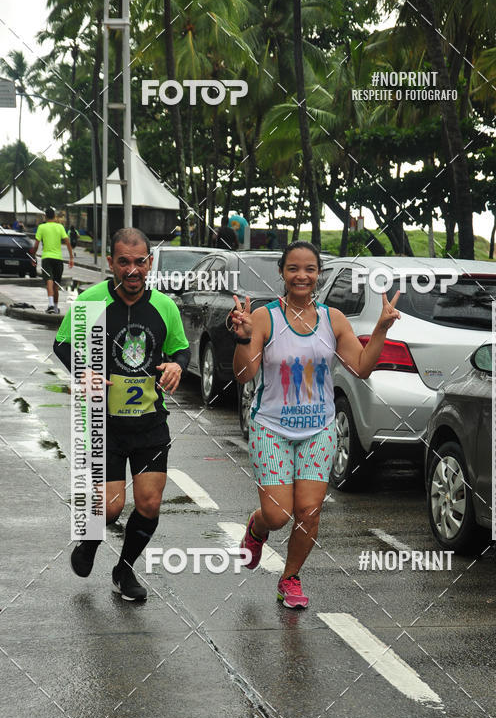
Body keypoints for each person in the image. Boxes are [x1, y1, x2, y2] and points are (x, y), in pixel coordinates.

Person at [230, 240, 400, 609]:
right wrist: (243, 338)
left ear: (318, 274)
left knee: (308, 511)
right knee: (277, 515)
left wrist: (382, 329)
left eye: (309, 269)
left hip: (319, 429)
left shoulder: (333, 319)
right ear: (282, 272)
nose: (301, 276)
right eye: (293, 268)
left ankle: (290, 578)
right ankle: (257, 528)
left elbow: (361, 367)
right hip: (271, 428)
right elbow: (244, 375)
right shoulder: (264, 318)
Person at [53, 227, 190, 601]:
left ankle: (124, 570)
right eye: (124, 262)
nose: (133, 270)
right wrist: (83, 371)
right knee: (110, 508)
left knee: (149, 503)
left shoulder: (164, 306)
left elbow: (180, 349)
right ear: (111, 262)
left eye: (140, 262)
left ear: (150, 263)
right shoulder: (91, 301)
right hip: (104, 425)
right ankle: (89, 542)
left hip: (150, 423)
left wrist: (177, 365)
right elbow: (62, 344)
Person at [33, 208, 74, 314]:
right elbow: (67, 242)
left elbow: (36, 245)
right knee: (56, 284)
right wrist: (71, 258)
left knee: (49, 281)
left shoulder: (41, 227)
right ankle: (55, 308)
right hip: (58, 259)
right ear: (55, 216)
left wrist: (33, 256)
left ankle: (51, 305)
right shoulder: (60, 227)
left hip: (46, 258)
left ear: (45, 217)